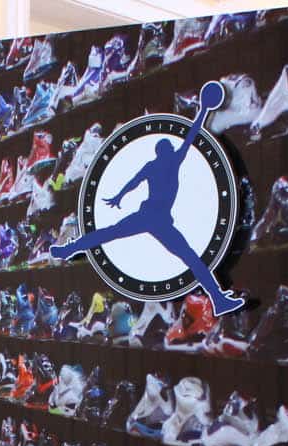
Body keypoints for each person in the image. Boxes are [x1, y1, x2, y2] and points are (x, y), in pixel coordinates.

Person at [50, 79, 244, 316]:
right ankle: (217, 298)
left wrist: (119, 196)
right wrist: (203, 110)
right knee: (191, 259)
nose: (171, 150)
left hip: (151, 216)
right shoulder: (172, 162)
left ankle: (69, 249)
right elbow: (191, 136)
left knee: (108, 233)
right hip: (158, 218)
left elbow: (134, 181)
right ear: (166, 151)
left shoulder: (156, 164)